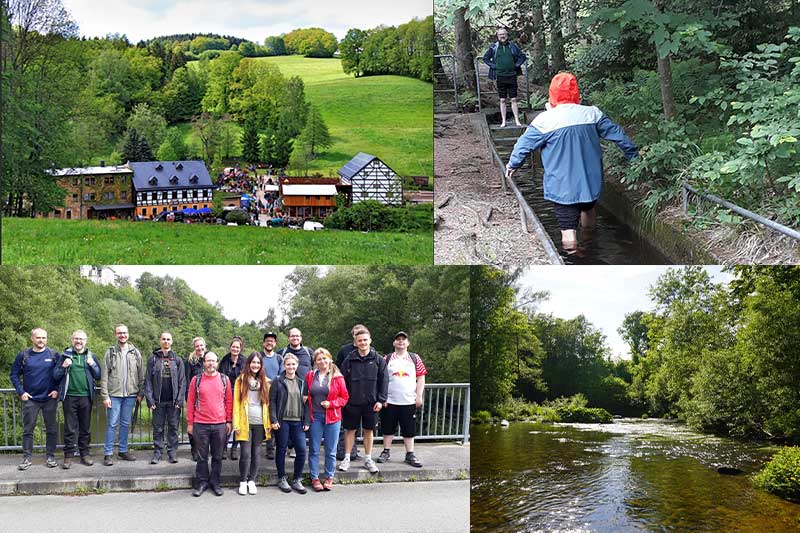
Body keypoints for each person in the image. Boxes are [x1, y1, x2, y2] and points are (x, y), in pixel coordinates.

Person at [506, 72, 639, 250]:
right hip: (590, 183)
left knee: (568, 229)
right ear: (577, 93)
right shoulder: (592, 114)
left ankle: (575, 257)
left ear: (552, 95)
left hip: (563, 187)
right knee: (588, 210)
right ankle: (590, 247)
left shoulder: (544, 121)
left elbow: (523, 146)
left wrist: (513, 164)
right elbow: (618, 135)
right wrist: (634, 156)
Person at [339, 326, 388, 474]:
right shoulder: (349, 359)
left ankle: (368, 459)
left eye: (365, 340)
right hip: (352, 403)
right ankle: (346, 458)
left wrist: (381, 400)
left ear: (370, 340)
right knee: (350, 431)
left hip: (371, 404)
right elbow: (342, 381)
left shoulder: (379, 359)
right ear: (356, 341)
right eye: (360, 340)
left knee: (369, 431)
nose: (363, 343)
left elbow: (384, 381)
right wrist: (344, 400)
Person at [10, 328, 60, 470]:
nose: (41, 340)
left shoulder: (54, 355)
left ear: (47, 339)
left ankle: (50, 457)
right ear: (32, 338)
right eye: (38, 337)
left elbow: (60, 374)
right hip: (30, 399)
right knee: (28, 430)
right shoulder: (24, 355)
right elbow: (14, 375)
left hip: (49, 399)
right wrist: (21, 392)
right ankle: (26, 458)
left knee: (51, 429)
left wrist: (56, 390)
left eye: (44, 338)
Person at [377, 331, 426, 468]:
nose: (401, 341)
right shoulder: (386, 358)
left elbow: (421, 377)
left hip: (409, 400)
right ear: (394, 343)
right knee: (387, 428)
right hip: (390, 401)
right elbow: (381, 379)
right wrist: (382, 397)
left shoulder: (415, 358)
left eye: (403, 339)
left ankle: (410, 454)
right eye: (398, 339)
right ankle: (386, 451)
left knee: (409, 429)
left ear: (408, 343)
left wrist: (419, 396)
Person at [53, 330, 101, 469]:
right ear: (72, 340)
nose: (78, 341)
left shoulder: (91, 356)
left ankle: (84, 454)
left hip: (86, 397)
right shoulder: (65, 356)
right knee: (70, 428)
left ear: (85, 341)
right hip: (69, 397)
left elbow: (98, 375)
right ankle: (68, 456)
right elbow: (55, 375)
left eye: (81, 339)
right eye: (76, 339)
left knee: (85, 428)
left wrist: (92, 364)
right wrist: (63, 366)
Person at [187, 351, 232, 497]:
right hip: (200, 424)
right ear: (204, 362)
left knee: (218, 456)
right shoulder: (196, 380)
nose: (211, 363)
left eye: (213, 361)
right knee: (202, 456)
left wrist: (229, 421)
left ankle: (215, 482)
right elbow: (190, 402)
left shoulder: (225, 380)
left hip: (219, 424)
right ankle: (202, 482)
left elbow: (229, 402)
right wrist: (190, 423)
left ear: (217, 362)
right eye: (208, 361)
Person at [101, 324, 145, 466]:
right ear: (115, 335)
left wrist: (140, 393)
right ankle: (108, 453)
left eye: (124, 333)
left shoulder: (135, 353)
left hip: (131, 395)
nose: (122, 335)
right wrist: (105, 396)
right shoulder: (110, 352)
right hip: (114, 395)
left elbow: (141, 375)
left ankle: (123, 451)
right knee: (112, 424)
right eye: (119, 333)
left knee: (125, 424)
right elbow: (104, 376)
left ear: (128, 334)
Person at [306, 348, 349, 492]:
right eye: (319, 359)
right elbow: (306, 393)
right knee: (314, 450)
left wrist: (332, 404)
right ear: (315, 362)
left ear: (330, 359)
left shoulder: (338, 377)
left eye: (325, 358)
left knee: (331, 450)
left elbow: (344, 398)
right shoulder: (310, 375)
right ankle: (314, 477)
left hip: (333, 417)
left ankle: (329, 476)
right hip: (315, 417)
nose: (322, 361)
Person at [269, 353, 309, 494]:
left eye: (293, 364)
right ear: (284, 366)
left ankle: (297, 479)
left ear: (297, 365)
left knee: (302, 450)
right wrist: (273, 419)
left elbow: (307, 403)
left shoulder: (302, 382)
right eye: (288, 364)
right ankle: (282, 478)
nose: (291, 367)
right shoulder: (278, 380)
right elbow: (272, 401)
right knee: (281, 449)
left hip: (298, 422)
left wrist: (307, 420)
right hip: (283, 421)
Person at [233, 351, 271, 496]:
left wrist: (269, 423)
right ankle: (243, 481)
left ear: (261, 365)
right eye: (253, 362)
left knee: (256, 453)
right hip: (245, 422)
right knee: (245, 453)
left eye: (258, 363)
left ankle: (252, 481)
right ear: (248, 364)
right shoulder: (240, 380)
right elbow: (236, 403)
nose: (255, 365)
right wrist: (236, 423)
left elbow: (268, 404)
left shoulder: (266, 381)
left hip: (261, 423)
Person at [144, 332, 186, 464]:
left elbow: (182, 381)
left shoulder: (178, 360)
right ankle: (157, 453)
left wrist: (179, 400)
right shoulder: (153, 359)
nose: (166, 341)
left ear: (171, 342)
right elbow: (148, 381)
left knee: (173, 427)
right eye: (163, 339)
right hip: (158, 401)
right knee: (158, 428)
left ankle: (172, 453)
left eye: (168, 339)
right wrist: (150, 400)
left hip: (174, 402)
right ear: (160, 341)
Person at [483, 27, 526, 128]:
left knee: (514, 99)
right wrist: (494, 66)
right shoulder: (494, 47)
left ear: (507, 35)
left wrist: (516, 65)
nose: (502, 36)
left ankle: (517, 120)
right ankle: (503, 121)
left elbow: (522, 56)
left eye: (504, 34)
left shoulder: (513, 46)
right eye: (500, 34)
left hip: (512, 76)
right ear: (497, 36)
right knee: (502, 100)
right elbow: (485, 58)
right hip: (500, 76)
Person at [335, 324, 366, 461]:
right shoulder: (344, 350)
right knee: (347, 425)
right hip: (346, 391)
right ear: (353, 335)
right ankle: (344, 450)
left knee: (362, 426)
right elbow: (337, 368)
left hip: (364, 393)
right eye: (355, 333)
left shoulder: (370, 351)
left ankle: (355, 449)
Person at [219, 336, 245, 460]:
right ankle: (223, 447)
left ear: (240, 349)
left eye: (237, 347)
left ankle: (234, 448)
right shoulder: (224, 360)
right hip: (226, 395)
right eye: (233, 346)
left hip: (240, 395)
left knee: (237, 422)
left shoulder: (245, 361)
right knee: (226, 421)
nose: (235, 349)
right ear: (230, 348)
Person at [259, 331, 282, 460]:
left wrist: (273, 383)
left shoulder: (279, 358)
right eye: (267, 340)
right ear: (264, 343)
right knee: (260, 420)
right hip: (261, 392)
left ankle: (270, 448)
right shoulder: (259, 357)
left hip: (275, 393)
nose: (269, 342)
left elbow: (282, 374)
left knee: (273, 419)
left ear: (275, 343)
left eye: (272, 341)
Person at [185, 337, 206, 461]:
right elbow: (187, 380)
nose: (200, 348)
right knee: (193, 424)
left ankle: (203, 449)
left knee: (205, 425)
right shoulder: (189, 361)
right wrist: (188, 398)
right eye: (197, 346)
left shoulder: (209, 358)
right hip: (194, 397)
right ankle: (194, 449)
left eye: (201, 346)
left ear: (205, 346)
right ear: (194, 347)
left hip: (207, 399)